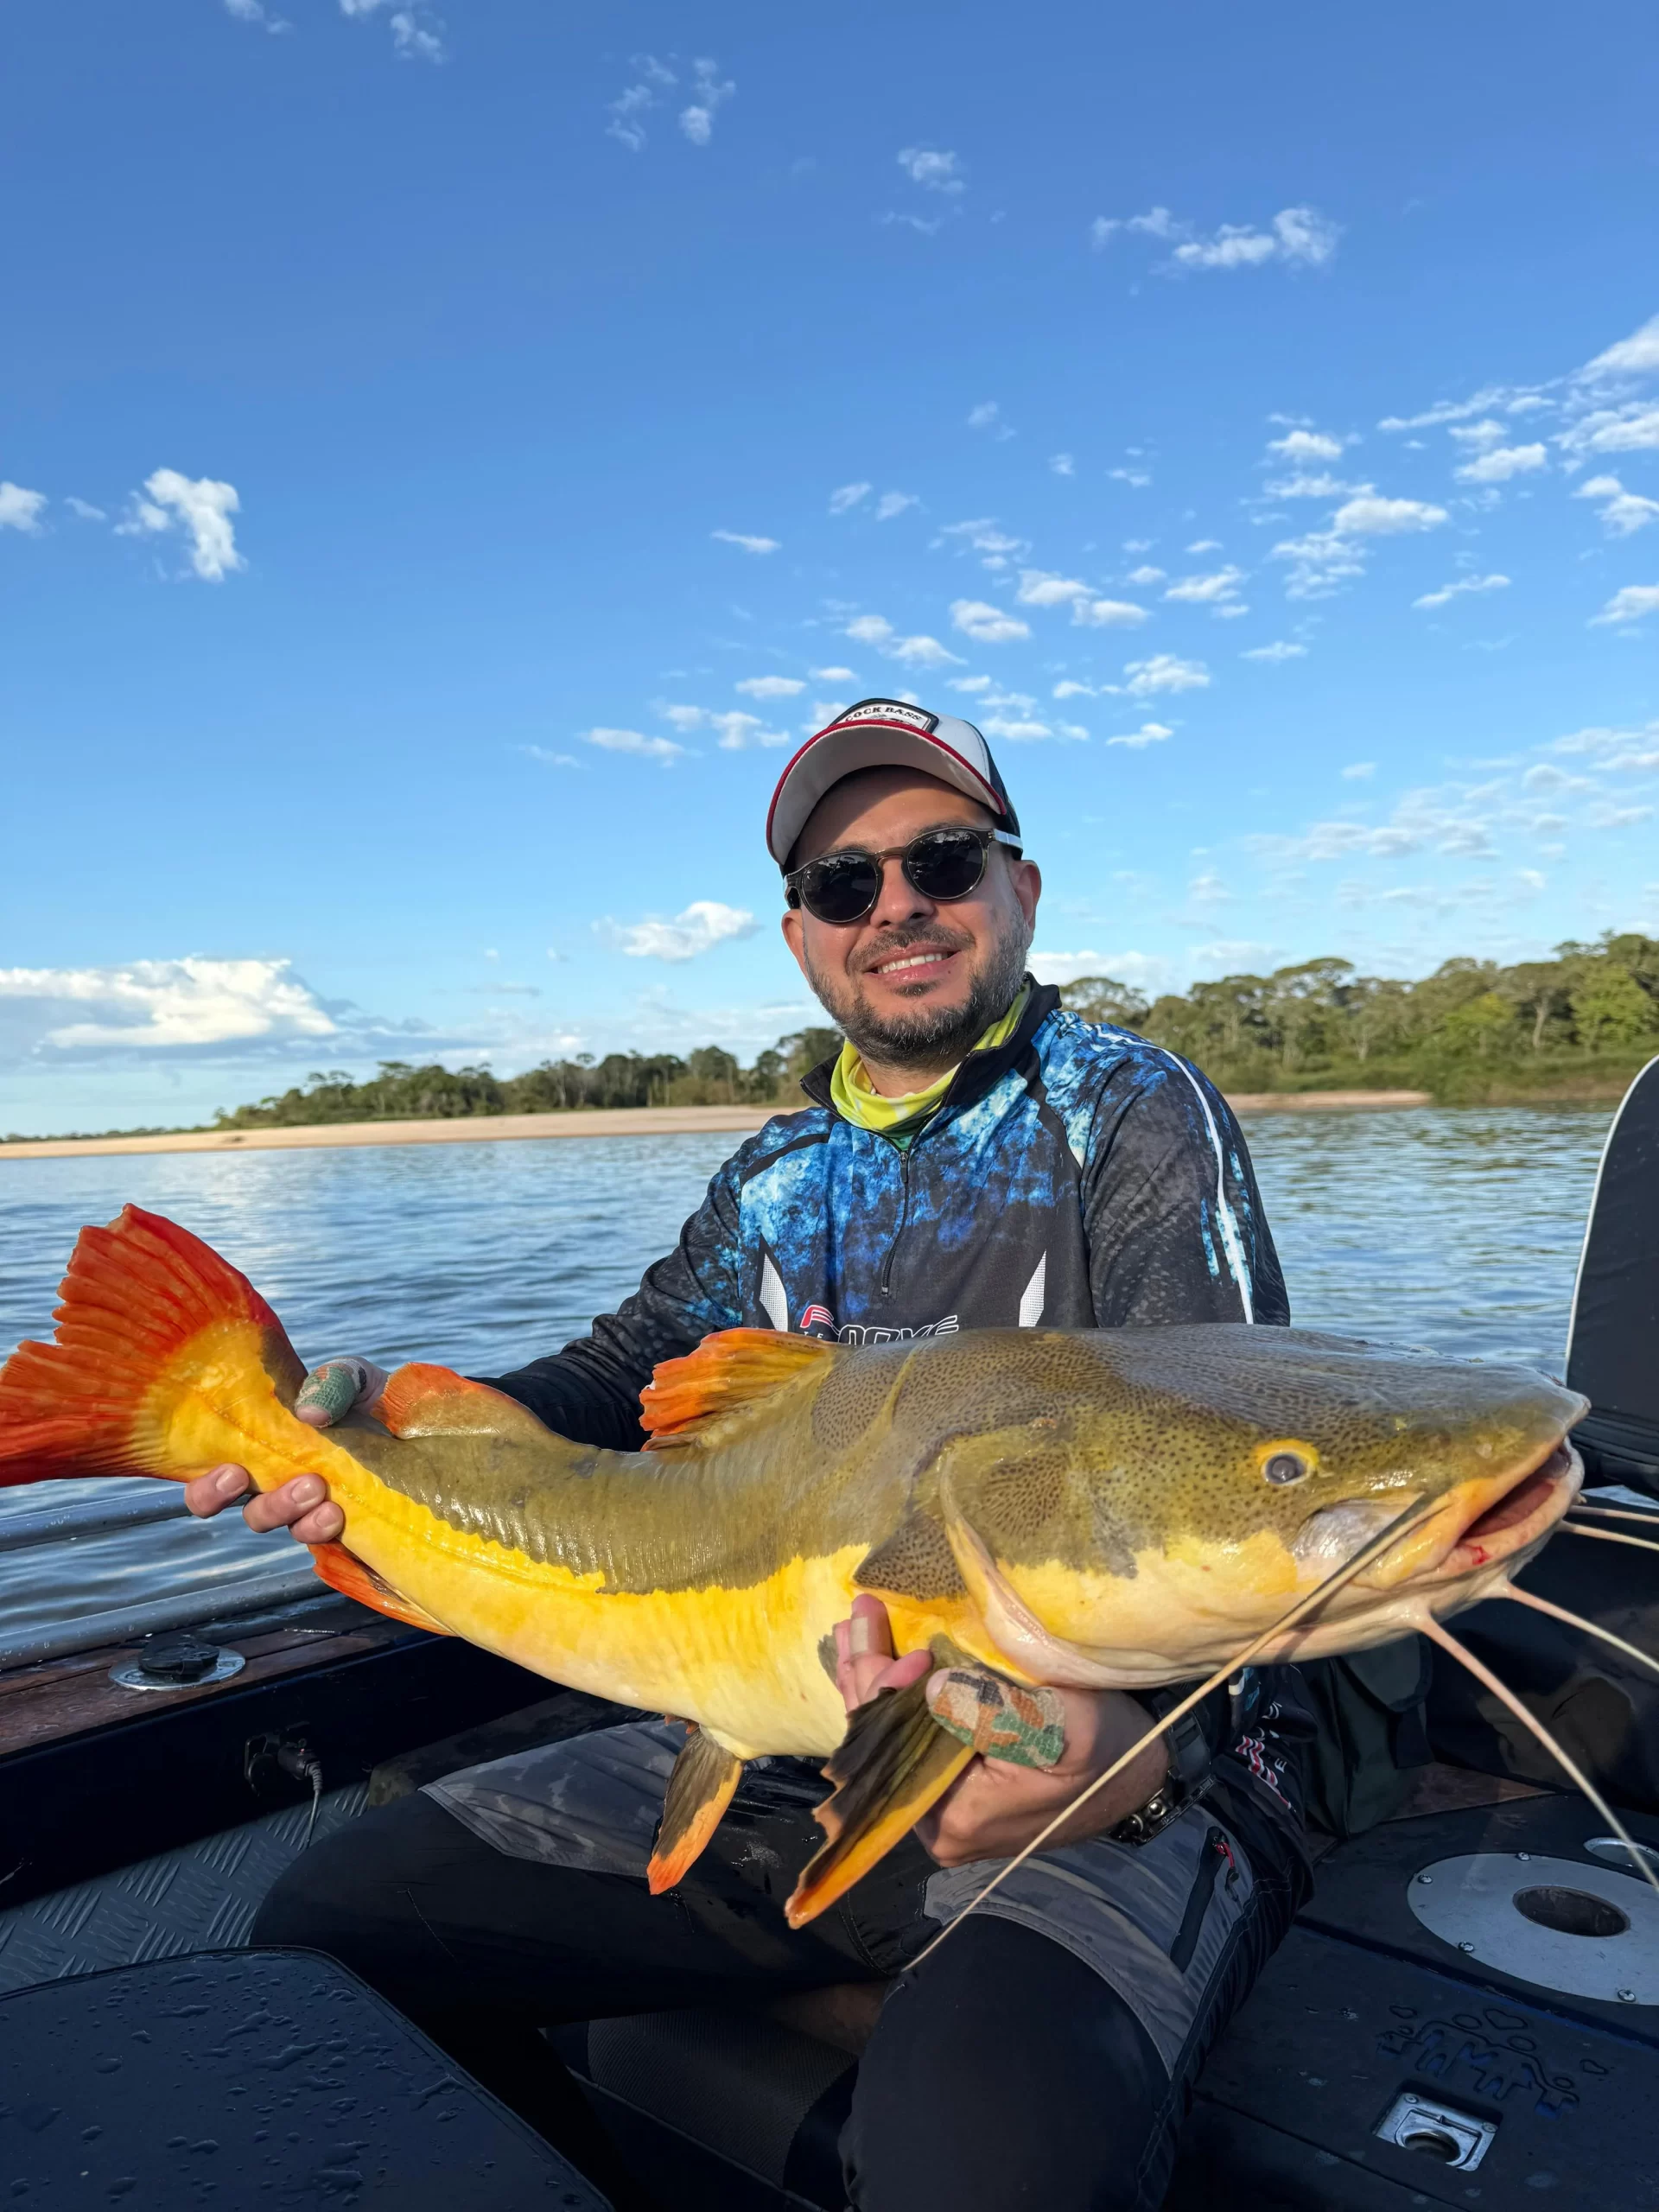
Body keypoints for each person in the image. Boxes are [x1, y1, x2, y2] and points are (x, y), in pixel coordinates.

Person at [189, 697, 1310, 2212]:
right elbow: (610, 1381)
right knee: (335, 1933)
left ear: (1021, 889)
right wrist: (376, 1439)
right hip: (797, 1722)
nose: (896, 906)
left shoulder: (1129, 1113)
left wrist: (1140, 1752)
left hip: (1113, 1762)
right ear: (801, 938)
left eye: (942, 859)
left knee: (986, 2165)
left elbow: (1233, 1450)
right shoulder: (776, 1175)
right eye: (844, 883)